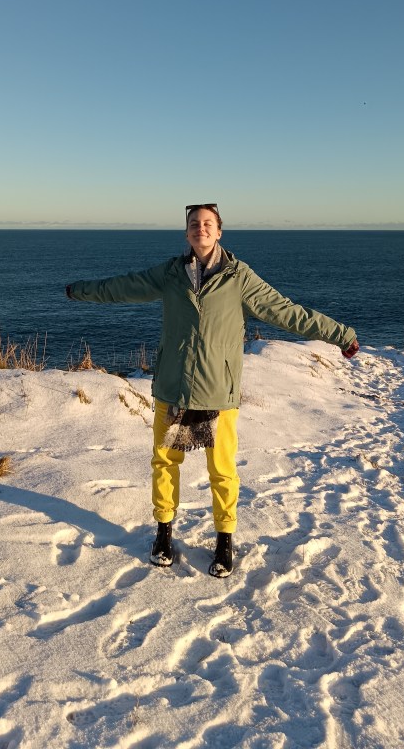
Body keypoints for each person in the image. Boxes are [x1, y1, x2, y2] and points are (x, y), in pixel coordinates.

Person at [66, 203, 359, 578]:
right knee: (165, 463)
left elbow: (287, 312)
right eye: (194, 224)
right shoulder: (171, 274)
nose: (200, 229)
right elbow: (123, 287)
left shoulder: (239, 278)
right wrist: (81, 291)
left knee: (221, 470)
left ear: (219, 232)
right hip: (173, 389)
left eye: (207, 224)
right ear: (187, 233)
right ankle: (163, 533)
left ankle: (224, 540)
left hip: (218, 393)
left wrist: (341, 335)